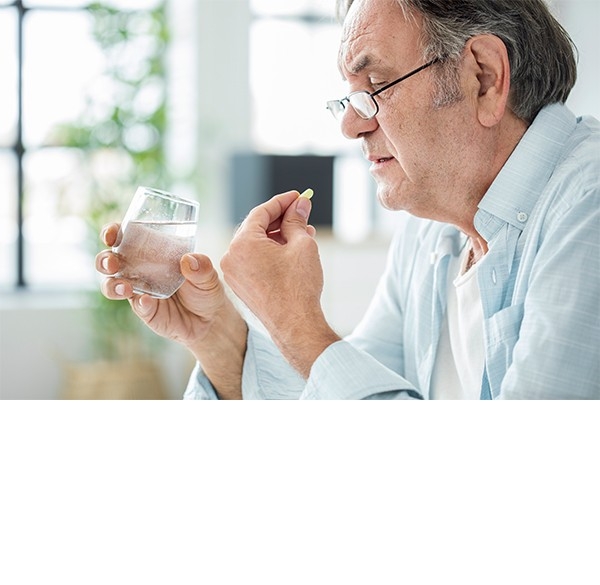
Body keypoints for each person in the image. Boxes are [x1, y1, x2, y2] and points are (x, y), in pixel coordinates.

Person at [96, 0, 599, 399]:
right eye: (350, 96)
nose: (350, 124)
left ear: (483, 77)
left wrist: (297, 323)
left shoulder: (588, 205)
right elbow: (352, 401)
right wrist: (219, 340)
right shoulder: (431, 233)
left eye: (376, 85)